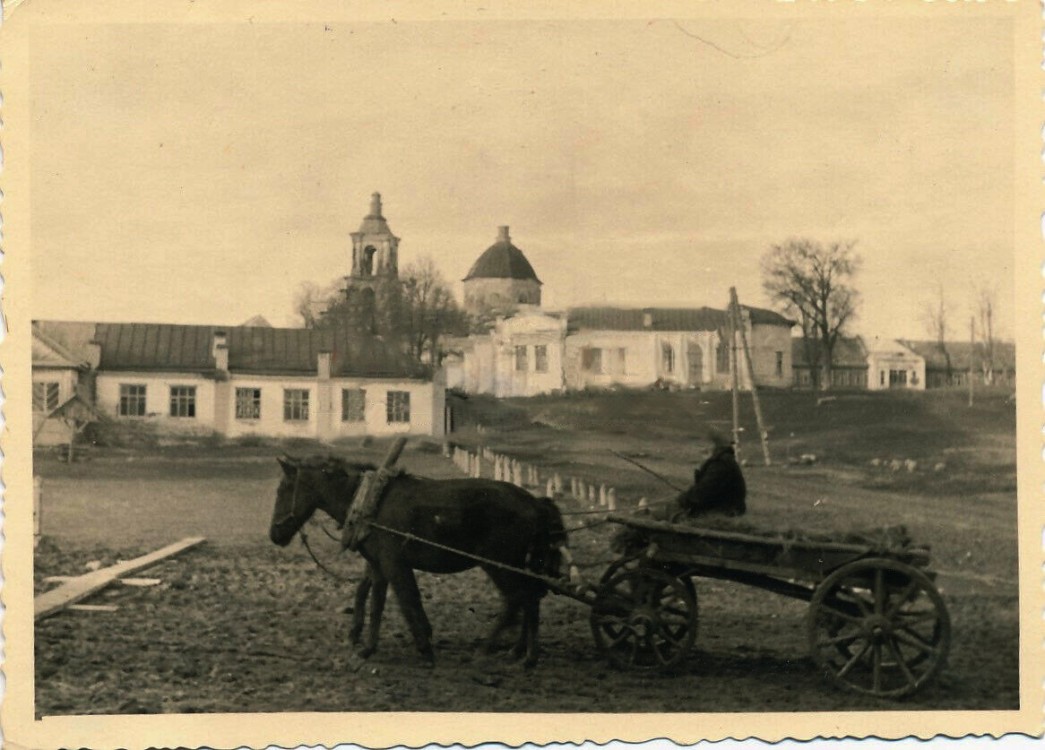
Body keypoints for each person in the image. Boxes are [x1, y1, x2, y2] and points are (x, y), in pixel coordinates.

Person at [675, 428, 746, 519]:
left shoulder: (720, 464)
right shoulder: (722, 461)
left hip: (723, 514)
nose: (700, 454)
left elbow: (702, 493)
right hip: (721, 510)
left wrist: (681, 500)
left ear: (711, 447)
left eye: (702, 449)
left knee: (663, 512)